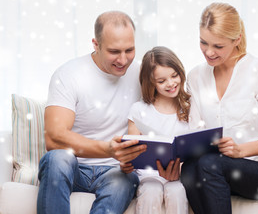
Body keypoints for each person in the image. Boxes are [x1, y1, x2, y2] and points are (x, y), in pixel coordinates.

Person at [180, 2, 258, 214]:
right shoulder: (195, 77)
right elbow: (196, 132)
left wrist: (240, 150)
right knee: (191, 168)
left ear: (237, 39)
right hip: (218, 169)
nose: (209, 52)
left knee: (210, 164)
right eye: (203, 42)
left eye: (218, 46)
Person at [37, 11, 147, 214]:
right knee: (57, 159)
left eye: (129, 50)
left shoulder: (142, 74)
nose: (123, 60)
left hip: (117, 171)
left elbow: (169, 112)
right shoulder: (69, 74)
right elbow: (54, 138)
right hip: (74, 167)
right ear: (96, 44)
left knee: (125, 179)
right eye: (114, 51)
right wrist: (107, 149)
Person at [121, 46, 190, 214]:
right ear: (151, 83)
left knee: (177, 191)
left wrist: (179, 169)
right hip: (148, 175)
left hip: (178, 174)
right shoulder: (139, 110)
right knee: (151, 191)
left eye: (174, 76)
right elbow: (130, 150)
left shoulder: (189, 107)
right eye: (161, 81)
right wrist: (125, 163)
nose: (171, 83)